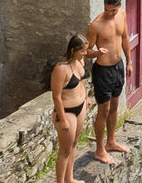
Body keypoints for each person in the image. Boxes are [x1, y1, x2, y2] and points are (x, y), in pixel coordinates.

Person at [85, 0, 131, 163]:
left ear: (119, 6)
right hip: (103, 71)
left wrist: (129, 61)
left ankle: (111, 142)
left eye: (114, 10)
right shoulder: (96, 25)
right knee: (103, 110)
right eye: (107, 10)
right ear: (104, 6)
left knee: (115, 105)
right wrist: (96, 53)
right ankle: (99, 149)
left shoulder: (122, 15)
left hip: (118, 67)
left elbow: (125, 37)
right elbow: (85, 51)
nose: (111, 13)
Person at [48, 34, 91, 183]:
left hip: (80, 107)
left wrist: (86, 97)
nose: (85, 54)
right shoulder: (61, 69)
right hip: (67, 112)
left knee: (74, 144)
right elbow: (56, 96)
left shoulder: (80, 62)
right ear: (73, 50)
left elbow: (82, 81)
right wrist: (63, 119)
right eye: (82, 51)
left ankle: (69, 178)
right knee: (65, 150)